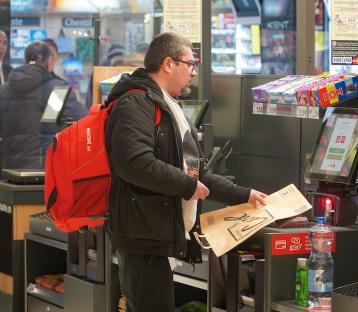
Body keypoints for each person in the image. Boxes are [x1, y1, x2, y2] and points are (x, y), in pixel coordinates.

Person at [104, 32, 267, 312]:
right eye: (190, 64)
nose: (193, 72)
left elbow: (196, 173)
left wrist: (244, 195)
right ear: (168, 64)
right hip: (143, 238)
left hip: (161, 235)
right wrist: (187, 186)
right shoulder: (136, 103)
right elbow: (135, 163)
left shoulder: (169, 106)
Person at [0, 41, 87, 169]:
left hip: (8, 170)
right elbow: (84, 120)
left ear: (25, 59)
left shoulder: (3, 90)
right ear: (49, 62)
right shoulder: (56, 90)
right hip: (43, 170)